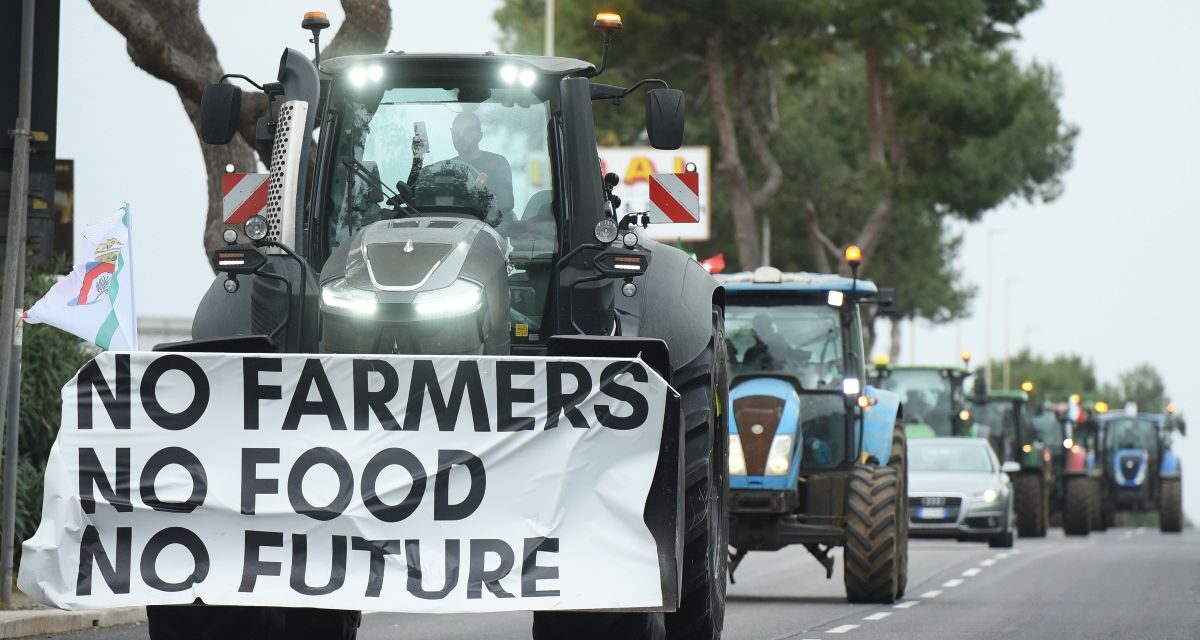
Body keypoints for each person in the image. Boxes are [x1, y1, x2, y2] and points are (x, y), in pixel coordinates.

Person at [408, 112, 515, 219]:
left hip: (485, 229)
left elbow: (505, 205)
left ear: (480, 135)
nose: (461, 136)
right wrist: (418, 158)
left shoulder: (497, 164)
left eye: (468, 131)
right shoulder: (445, 168)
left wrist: (480, 195)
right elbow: (413, 198)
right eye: (456, 131)